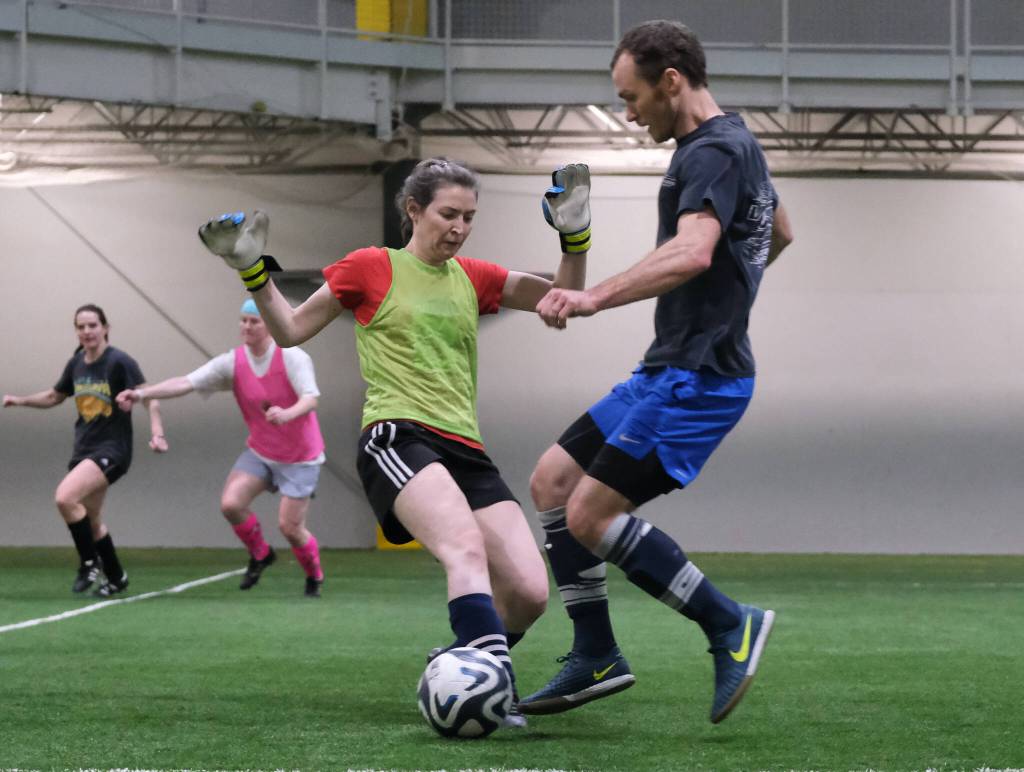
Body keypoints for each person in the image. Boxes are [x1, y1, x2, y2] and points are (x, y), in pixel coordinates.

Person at [194, 157, 590, 724]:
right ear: (413, 210)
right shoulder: (370, 267)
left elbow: (566, 298)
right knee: (463, 547)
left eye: (469, 217)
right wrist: (253, 272)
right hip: (397, 436)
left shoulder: (474, 276)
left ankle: (462, 660)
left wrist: (574, 236)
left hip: (466, 448)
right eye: (448, 214)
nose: (459, 227)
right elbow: (291, 330)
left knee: (529, 593)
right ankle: (489, 687)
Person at [518, 20, 795, 725]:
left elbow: (695, 250)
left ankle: (729, 623)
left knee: (589, 515)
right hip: (667, 367)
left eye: (631, 96)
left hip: (701, 377)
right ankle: (596, 653)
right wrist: (730, 294)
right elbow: (778, 231)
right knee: (552, 480)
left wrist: (593, 296)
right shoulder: (732, 143)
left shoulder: (714, 151)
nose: (628, 112)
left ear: (671, 81)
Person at [116, 298, 328, 597]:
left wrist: (287, 413)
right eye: (243, 320)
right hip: (261, 452)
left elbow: (310, 398)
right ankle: (261, 554)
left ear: (269, 325)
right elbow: (186, 383)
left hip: (300, 457)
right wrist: (140, 394)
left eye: (254, 321)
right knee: (231, 504)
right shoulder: (233, 362)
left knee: (290, 528)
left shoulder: (292, 356)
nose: (246, 326)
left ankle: (314, 576)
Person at [2, 303, 167, 596]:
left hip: (112, 450)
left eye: (93, 325)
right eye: (81, 327)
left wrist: (157, 431)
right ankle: (116, 577)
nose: (87, 331)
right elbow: (54, 396)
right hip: (84, 449)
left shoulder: (119, 362)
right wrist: (20, 400)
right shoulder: (76, 364)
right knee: (91, 521)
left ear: (105, 328)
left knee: (65, 498)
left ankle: (89, 563)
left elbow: (149, 396)